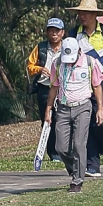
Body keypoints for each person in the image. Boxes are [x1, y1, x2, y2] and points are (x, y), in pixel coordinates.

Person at [68, 0, 103, 175]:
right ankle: (92, 164)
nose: (82, 16)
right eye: (80, 13)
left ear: (95, 14)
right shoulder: (74, 34)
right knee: (87, 122)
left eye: (86, 12)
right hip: (82, 81)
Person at [43, 37, 103, 193]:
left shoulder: (90, 62)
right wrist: (48, 110)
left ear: (79, 51)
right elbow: (54, 88)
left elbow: (97, 86)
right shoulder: (57, 63)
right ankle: (77, 169)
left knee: (79, 144)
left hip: (83, 107)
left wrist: (100, 109)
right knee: (61, 147)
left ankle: (77, 180)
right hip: (63, 108)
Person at [26, 18, 66, 169]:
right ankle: (53, 153)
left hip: (63, 88)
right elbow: (30, 66)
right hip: (44, 88)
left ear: (62, 33)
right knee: (47, 121)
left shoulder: (68, 47)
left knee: (62, 119)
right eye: (51, 30)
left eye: (57, 30)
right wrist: (39, 69)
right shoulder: (41, 47)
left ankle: (65, 150)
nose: (54, 33)